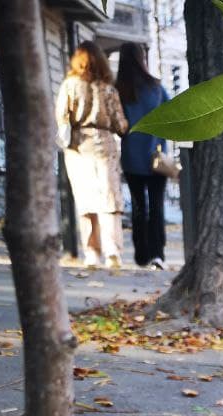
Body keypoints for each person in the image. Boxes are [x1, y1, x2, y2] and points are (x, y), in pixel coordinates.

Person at [56, 42, 128, 268]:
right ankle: (113, 251)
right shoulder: (108, 89)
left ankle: (92, 253)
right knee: (109, 198)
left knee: (85, 200)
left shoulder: (69, 85)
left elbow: (61, 116)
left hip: (78, 147)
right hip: (104, 145)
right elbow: (120, 124)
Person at [115, 43, 170, 270]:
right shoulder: (156, 87)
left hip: (132, 157)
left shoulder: (119, 90)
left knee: (138, 207)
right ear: (142, 58)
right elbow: (170, 114)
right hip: (156, 157)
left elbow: (118, 125)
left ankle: (141, 255)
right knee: (157, 206)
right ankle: (158, 254)